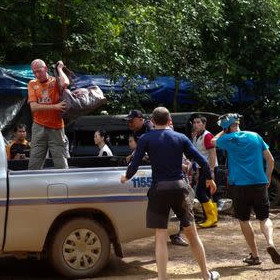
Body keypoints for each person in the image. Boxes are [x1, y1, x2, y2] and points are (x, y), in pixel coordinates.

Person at [120, 107, 219, 280]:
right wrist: (209, 178)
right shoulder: (180, 138)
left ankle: (162, 278)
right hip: (179, 188)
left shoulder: (145, 138)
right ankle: (206, 275)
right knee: (192, 234)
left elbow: (134, 165)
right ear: (169, 120)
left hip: (159, 189)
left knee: (160, 236)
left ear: (152, 120)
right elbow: (202, 160)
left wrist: (126, 177)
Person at [211, 113, 280, 265]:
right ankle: (270, 243)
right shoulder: (255, 136)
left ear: (227, 128)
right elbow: (271, 160)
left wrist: (224, 129)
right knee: (264, 218)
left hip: (240, 186)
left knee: (244, 220)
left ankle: (255, 256)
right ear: (238, 124)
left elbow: (212, 141)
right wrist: (268, 177)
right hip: (259, 183)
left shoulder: (227, 139)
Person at [27, 59, 70, 170]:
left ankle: (63, 184)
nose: (37, 74)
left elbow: (65, 83)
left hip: (56, 127)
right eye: (34, 72)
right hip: (39, 127)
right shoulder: (32, 84)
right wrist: (55, 107)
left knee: (61, 162)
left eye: (39, 71)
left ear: (45, 68)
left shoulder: (55, 81)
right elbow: (34, 107)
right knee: (34, 163)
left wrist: (59, 69)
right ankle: (34, 186)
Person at [192, 115, 219, 228]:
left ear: (204, 124)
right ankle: (210, 218)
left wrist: (211, 171)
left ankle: (212, 218)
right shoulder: (196, 136)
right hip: (201, 168)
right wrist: (197, 172)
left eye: (198, 122)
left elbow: (212, 153)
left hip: (209, 168)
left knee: (200, 192)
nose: (195, 124)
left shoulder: (207, 135)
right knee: (207, 193)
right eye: (194, 122)